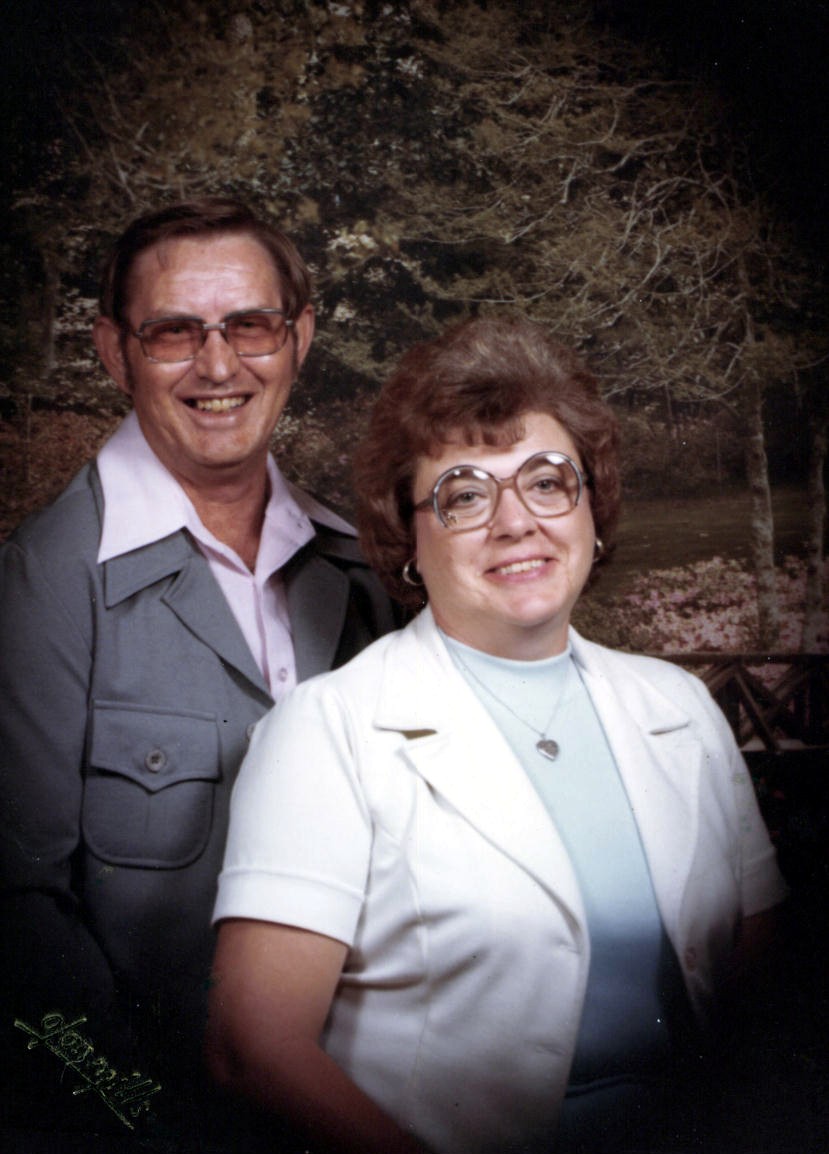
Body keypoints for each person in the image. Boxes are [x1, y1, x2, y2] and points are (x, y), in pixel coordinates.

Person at [206, 315, 789, 1154]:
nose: (515, 521)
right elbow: (252, 1049)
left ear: (590, 509)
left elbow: (759, 977)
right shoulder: (325, 731)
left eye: (547, 482)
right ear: (409, 537)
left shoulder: (678, 706)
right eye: (465, 494)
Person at [0, 198, 396, 1148]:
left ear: (298, 338)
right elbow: (15, 926)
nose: (219, 368)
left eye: (250, 325)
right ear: (115, 350)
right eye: (174, 332)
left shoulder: (361, 572)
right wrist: (136, 1119)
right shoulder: (42, 583)